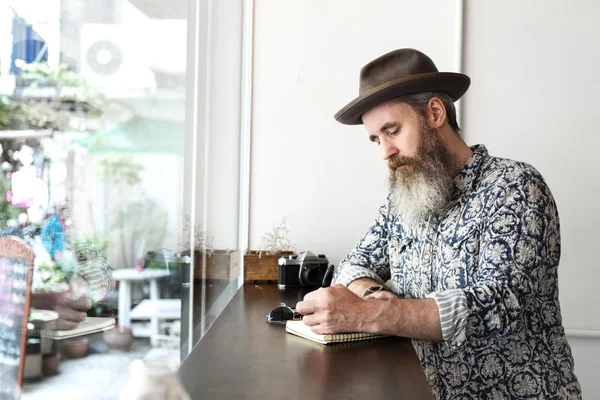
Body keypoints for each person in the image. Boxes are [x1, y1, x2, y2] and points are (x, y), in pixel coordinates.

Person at [295, 48, 581, 399]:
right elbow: (355, 264)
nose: (385, 151)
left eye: (392, 130)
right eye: (376, 139)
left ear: (434, 112)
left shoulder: (515, 186)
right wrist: (374, 295)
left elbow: (496, 305)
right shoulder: (404, 198)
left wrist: (369, 315)